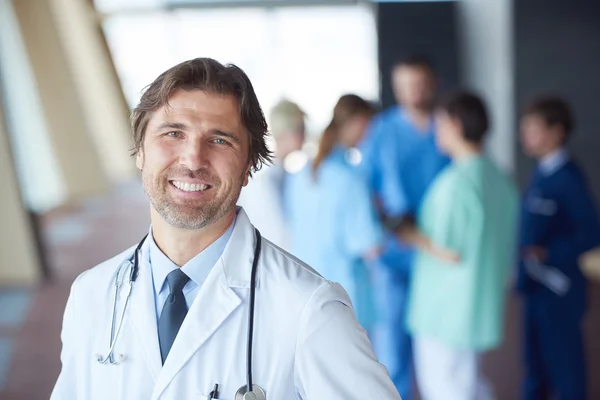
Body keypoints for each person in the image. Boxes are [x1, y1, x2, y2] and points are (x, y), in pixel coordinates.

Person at [50, 58, 401, 400]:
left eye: (219, 140)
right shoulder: (91, 295)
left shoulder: (309, 309)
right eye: (173, 133)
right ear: (140, 150)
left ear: (249, 166)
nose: (192, 160)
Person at [399, 92, 518, 399]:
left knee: (446, 387)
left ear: (454, 124)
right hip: (477, 304)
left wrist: (408, 233)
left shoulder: (456, 184)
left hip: (445, 310)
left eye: (439, 123)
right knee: (469, 383)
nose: (436, 130)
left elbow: (448, 250)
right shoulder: (498, 178)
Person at [358, 55, 449, 399]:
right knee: (393, 345)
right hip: (396, 252)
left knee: (439, 347)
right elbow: (366, 189)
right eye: (406, 86)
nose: (414, 92)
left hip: (438, 249)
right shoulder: (382, 130)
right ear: (395, 88)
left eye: (420, 84)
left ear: (434, 83)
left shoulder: (447, 126)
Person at [517, 96, 600, 400]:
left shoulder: (568, 179)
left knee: (566, 372)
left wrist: (550, 253)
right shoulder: (541, 173)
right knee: (534, 370)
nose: (525, 135)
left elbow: (591, 234)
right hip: (535, 290)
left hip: (559, 293)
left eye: (533, 128)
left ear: (557, 132)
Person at [237, 99, 306, 251]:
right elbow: (277, 234)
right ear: (285, 132)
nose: (305, 135)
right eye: (300, 129)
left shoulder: (288, 176)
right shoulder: (261, 180)